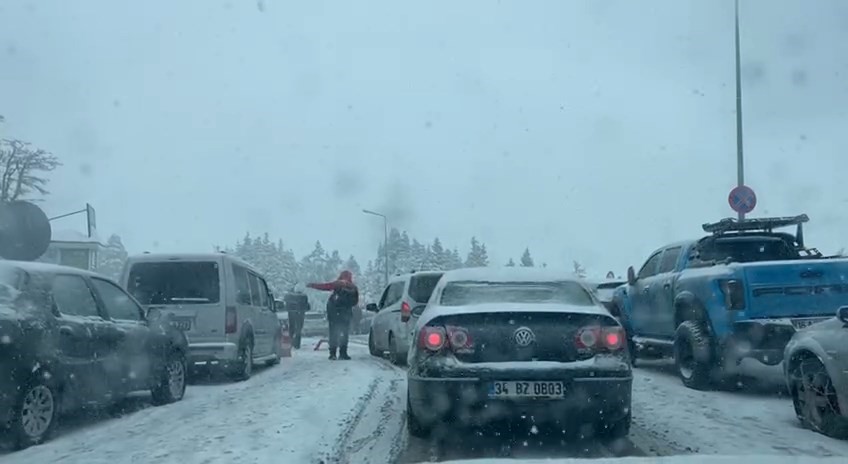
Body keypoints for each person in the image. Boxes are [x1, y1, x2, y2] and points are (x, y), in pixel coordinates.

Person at [307, 270, 359, 360]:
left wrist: (313, 285)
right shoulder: (353, 287)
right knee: (344, 333)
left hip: (334, 313)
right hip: (346, 313)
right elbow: (355, 301)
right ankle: (343, 353)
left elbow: (325, 286)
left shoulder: (337, 284)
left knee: (333, 333)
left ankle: (332, 353)